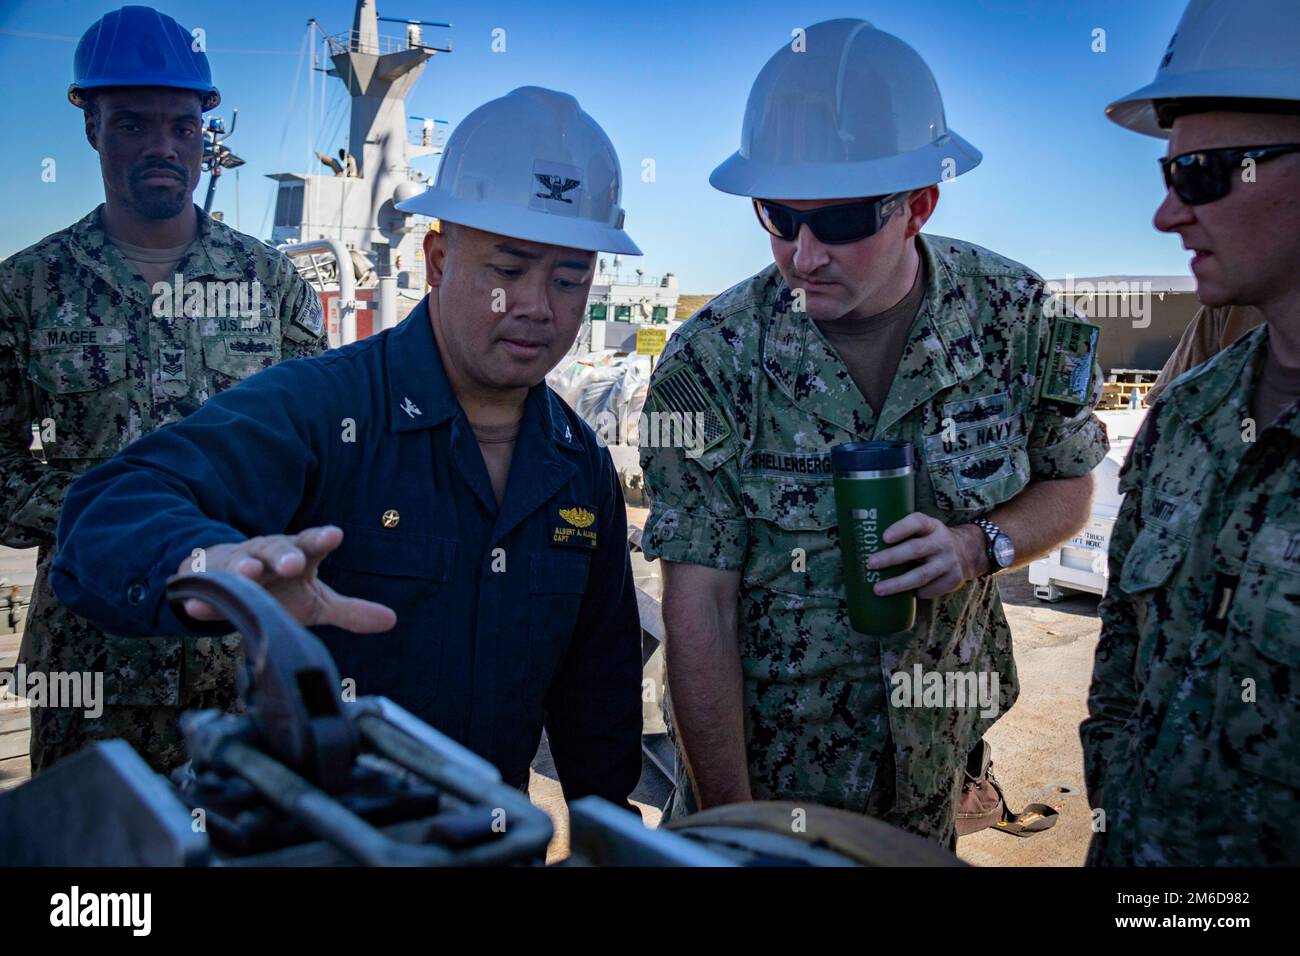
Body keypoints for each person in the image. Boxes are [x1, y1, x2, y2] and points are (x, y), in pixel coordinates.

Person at [50, 86, 645, 807]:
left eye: (570, 277)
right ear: (436, 259)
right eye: (508, 269)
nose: (536, 306)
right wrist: (213, 563)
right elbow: (107, 509)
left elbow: (599, 694)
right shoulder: (323, 409)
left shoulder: (579, 467)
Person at [639, 19, 1108, 845]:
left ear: (918, 205)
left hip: (930, 782)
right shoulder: (711, 358)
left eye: (843, 221)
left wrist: (978, 546)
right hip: (766, 791)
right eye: (777, 217)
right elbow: (697, 607)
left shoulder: (1018, 318)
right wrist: (735, 828)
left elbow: (1069, 486)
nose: (804, 254)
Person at [0, 5, 326, 774]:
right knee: (94, 860)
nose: (162, 147)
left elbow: (323, 447)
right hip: (91, 657)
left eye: (182, 127)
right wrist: (111, 520)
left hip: (244, 651)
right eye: (133, 124)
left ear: (204, 134)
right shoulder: (27, 288)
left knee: (257, 846)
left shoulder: (271, 285)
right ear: (92, 128)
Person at [1083, 0, 1300, 866]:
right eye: (1169, 178)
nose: (1167, 218)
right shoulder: (1188, 415)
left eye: (1202, 175)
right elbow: (1122, 672)